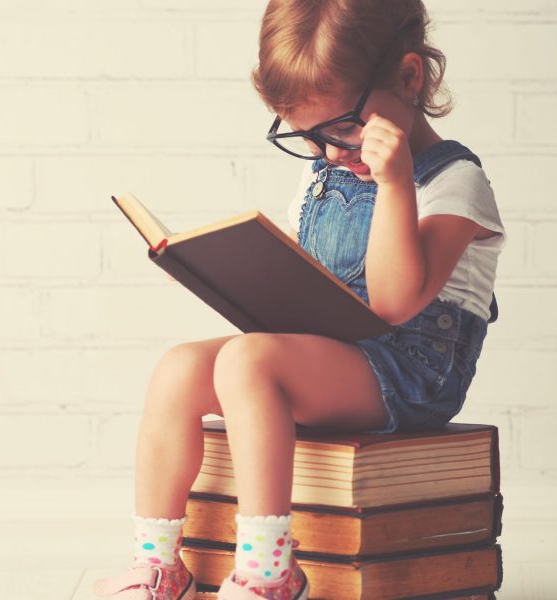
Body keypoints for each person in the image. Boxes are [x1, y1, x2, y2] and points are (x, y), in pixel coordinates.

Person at [93, 1, 505, 598]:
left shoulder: (453, 183)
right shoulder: (331, 171)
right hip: (334, 352)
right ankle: (158, 564)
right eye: (308, 138)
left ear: (409, 78)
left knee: (246, 361)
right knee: (181, 366)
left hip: (410, 375)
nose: (333, 153)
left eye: (341, 129)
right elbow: (307, 277)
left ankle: (268, 570)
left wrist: (393, 183)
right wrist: (216, 272)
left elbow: (394, 300)